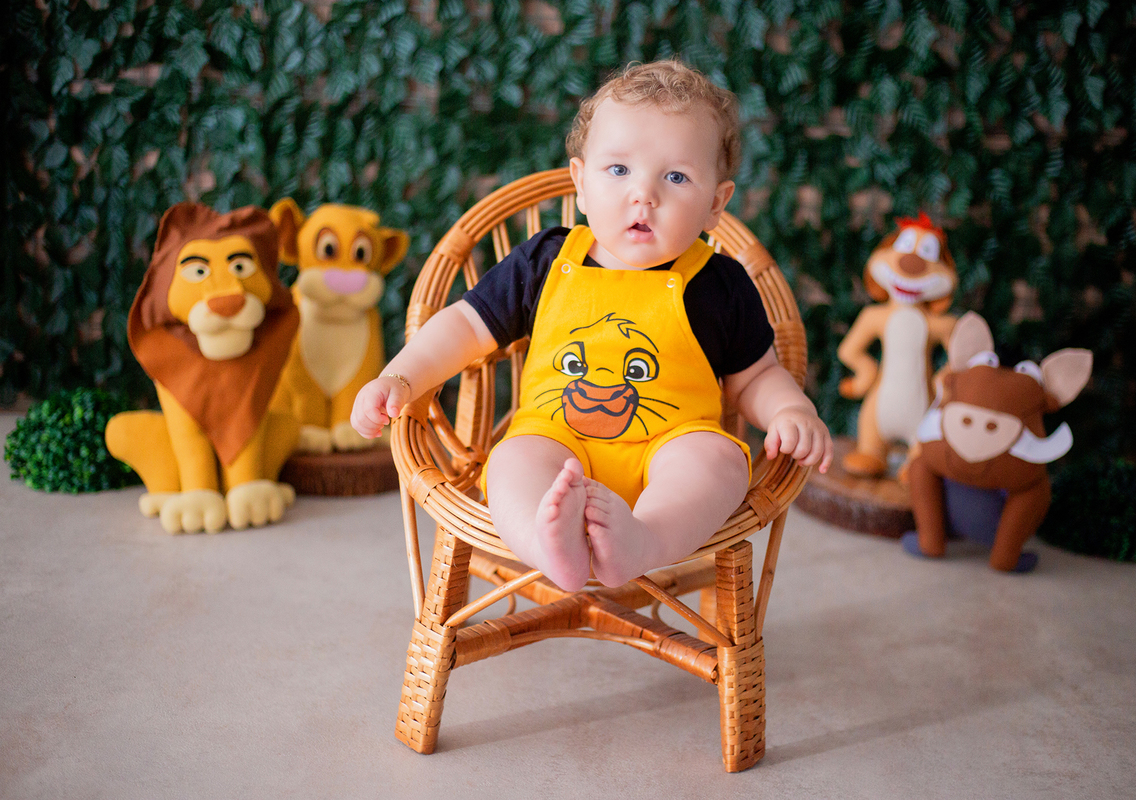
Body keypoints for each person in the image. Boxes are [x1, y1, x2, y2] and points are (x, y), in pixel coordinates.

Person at [351, 60, 832, 592]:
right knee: (512, 460)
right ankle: (550, 546)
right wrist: (399, 377)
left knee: (717, 461)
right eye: (619, 170)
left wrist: (790, 409)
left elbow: (756, 375)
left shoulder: (719, 283)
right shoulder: (546, 260)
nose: (643, 195)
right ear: (580, 182)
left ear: (715, 203)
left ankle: (643, 540)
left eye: (675, 177)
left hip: (670, 447)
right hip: (554, 440)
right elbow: (465, 327)